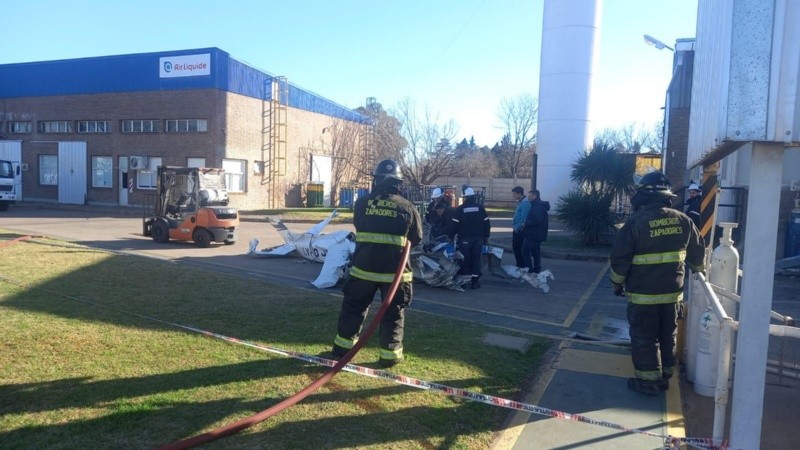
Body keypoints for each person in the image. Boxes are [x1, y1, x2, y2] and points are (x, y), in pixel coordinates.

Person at [609, 171, 705, 396]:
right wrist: (698, 272)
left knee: (644, 338)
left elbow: (620, 259)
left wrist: (617, 284)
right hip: (673, 296)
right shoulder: (684, 220)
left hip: (643, 297)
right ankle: (665, 378)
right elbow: (698, 256)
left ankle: (647, 382)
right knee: (667, 335)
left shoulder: (635, 223)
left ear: (643, 196)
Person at [331, 159, 423, 368]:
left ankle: (342, 350)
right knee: (393, 312)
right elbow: (416, 237)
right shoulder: (407, 207)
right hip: (395, 274)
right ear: (398, 183)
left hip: (363, 270)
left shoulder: (362, 204)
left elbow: (359, 227)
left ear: (377, 180)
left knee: (353, 308)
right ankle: (389, 357)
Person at [449, 186, 491, 289]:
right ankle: (475, 281)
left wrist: (450, 237)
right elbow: (487, 223)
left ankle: (465, 281)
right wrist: (486, 236)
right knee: (476, 259)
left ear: (465, 197)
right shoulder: (480, 209)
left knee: (464, 259)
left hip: (465, 239)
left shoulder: (460, 210)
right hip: (478, 239)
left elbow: (454, 226)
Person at [521, 190, 550, 274]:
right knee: (536, 252)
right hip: (537, 234)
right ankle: (536, 270)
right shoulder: (537, 205)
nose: (528, 198)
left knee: (525, 251)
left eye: (530, 196)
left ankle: (530, 270)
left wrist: (525, 223)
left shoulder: (537, 207)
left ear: (535, 196)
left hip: (533, 234)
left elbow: (537, 220)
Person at [511, 186, 532, 270]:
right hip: (517, 228)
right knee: (516, 248)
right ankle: (519, 264)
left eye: (514, 194)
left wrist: (517, 228)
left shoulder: (525, 204)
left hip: (520, 230)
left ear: (520, 194)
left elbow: (524, 218)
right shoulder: (521, 202)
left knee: (518, 248)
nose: (513, 196)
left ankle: (521, 265)